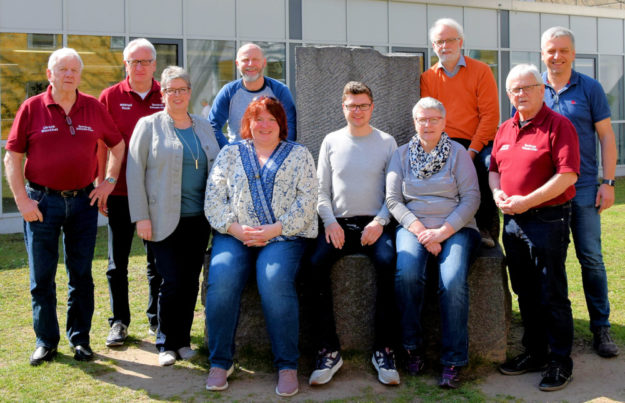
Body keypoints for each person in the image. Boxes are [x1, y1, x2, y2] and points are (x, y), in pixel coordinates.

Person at [3, 48, 124, 365]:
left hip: (83, 202)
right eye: (62, 69)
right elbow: (12, 157)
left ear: (79, 75)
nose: (69, 74)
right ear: (49, 74)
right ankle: (46, 341)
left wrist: (108, 181)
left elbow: (117, 144)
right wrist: (22, 201)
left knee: (81, 275)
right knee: (41, 278)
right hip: (41, 203)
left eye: (74, 70)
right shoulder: (31, 108)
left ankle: (80, 340)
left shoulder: (93, 108)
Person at [204, 97, 317, 397]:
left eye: (271, 119)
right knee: (221, 279)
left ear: (281, 123)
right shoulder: (230, 153)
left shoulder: (299, 154)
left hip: (283, 235)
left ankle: (287, 366)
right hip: (236, 233)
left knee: (274, 279)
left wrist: (274, 229)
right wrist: (237, 230)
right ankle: (220, 361)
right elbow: (214, 197)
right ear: (247, 124)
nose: (264, 125)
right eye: (258, 119)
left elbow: (307, 201)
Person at [303, 81, 400, 387]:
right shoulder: (331, 141)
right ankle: (328, 350)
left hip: (375, 222)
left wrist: (380, 222)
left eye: (363, 105)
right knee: (313, 266)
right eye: (351, 105)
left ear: (372, 107)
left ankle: (384, 350)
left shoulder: (387, 142)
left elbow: (394, 192)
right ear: (342, 107)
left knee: (389, 262)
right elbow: (320, 191)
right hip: (338, 223)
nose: (357, 111)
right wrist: (329, 222)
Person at [492, 64, 579, 391]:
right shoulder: (504, 128)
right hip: (513, 221)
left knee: (551, 292)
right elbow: (494, 170)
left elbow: (567, 176)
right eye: (514, 89)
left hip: (548, 220)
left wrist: (527, 201)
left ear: (542, 89)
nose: (521, 94)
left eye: (527, 87)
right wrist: (497, 192)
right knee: (524, 290)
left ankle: (560, 361)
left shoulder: (558, 125)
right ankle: (536, 352)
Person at [126, 66, 220, 366]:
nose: (177, 95)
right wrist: (141, 216)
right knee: (172, 280)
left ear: (190, 92)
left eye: (182, 89)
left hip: (199, 219)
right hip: (161, 218)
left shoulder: (204, 126)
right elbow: (133, 172)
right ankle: (166, 342)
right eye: (171, 90)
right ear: (162, 94)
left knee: (191, 281)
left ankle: (183, 341)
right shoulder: (148, 125)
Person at [386, 97, 480, 389]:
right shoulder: (400, 155)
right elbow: (393, 200)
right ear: (414, 123)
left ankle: (453, 360)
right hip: (413, 227)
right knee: (407, 275)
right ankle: (412, 348)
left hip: (456, 227)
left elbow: (471, 198)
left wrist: (442, 232)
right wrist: (419, 230)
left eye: (433, 119)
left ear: (443, 122)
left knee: (452, 281)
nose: (427, 124)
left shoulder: (458, 153)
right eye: (421, 119)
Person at [540, 26, 619, 358]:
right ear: (542, 53)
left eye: (563, 50)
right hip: (545, 193)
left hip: (584, 188)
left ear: (573, 53)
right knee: (550, 262)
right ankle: (556, 329)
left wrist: (608, 182)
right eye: (551, 50)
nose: (556, 56)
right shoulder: (532, 88)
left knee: (591, 259)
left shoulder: (590, 88)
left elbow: (607, 137)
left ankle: (601, 328)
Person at [97, 38, 165, 347]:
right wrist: (101, 183)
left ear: (154, 65)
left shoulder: (166, 94)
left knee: (157, 262)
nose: (139, 67)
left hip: (158, 194)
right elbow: (101, 145)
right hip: (120, 191)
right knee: (117, 263)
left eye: (145, 62)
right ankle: (119, 322)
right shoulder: (109, 97)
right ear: (125, 65)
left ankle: (156, 319)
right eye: (133, 62)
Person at [421, 18, 500, 247]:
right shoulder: (428, 77)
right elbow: (430, 116)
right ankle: (437, 224)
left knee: (485, 166)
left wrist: (472, 150)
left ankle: (485, 227)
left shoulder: (482, 71)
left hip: (479, 140)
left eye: (450, 40)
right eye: (439, 42)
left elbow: (490, 117)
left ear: (461, 42)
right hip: (444, 140)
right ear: (433, 46)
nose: (445, 46)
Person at [209, 43, 297, 142]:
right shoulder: (228, 92)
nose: (250, 64)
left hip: (273, 154)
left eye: (255, 59)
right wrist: (228, 150)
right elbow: (212, 127)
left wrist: (281, 152)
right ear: (237, 64)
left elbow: (290, 125)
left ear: (264, 63)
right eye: (245, 60)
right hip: (237, 155)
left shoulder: (280, 90)